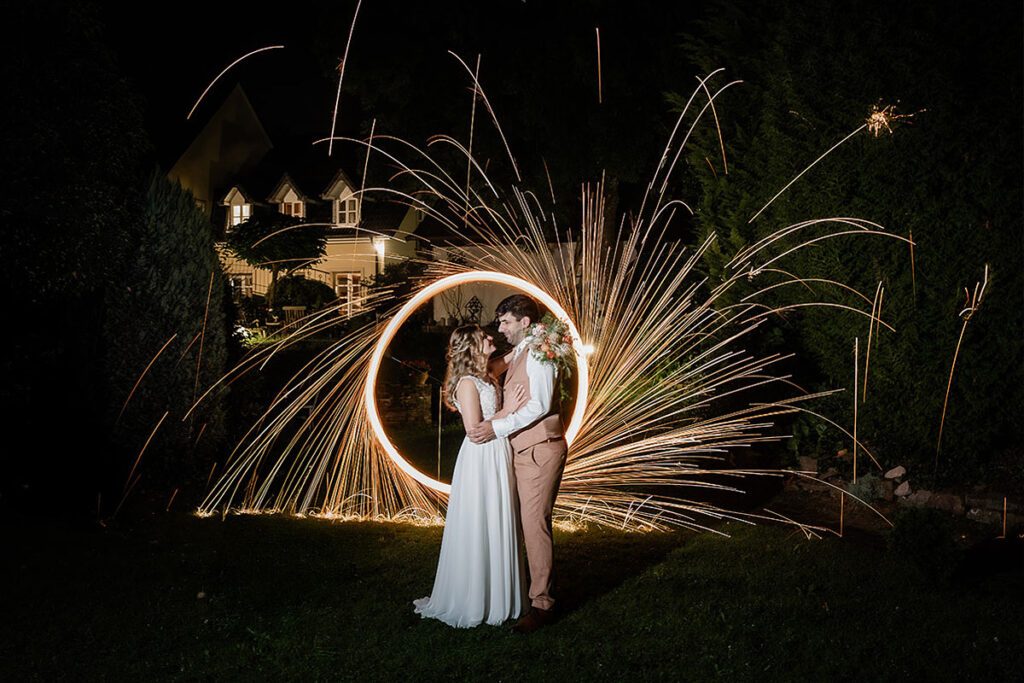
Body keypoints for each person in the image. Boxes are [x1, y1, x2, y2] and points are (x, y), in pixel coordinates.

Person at [413, 325, 529, 627]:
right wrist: (510, 410)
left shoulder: (488, 371)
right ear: (473, 347)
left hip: (498, 452)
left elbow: (515, 353)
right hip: (481, 458)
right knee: (482, 518)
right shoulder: (467, 383)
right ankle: (475, 597)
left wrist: (540, 335)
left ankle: (502, 594)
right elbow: (474, 432)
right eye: (485, 338)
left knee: (499, 517)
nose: (492, 338)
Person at [468, 294, 567, 634]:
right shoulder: (526, 349)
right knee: (517, 523)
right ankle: (518, 592)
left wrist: (495, 427)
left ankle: (542, 604)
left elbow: (538, 404)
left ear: (525, 322)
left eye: (506, 322)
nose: (500, 328)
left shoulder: (541, 353)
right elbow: (489, 373)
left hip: (539, 449)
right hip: (521, 451)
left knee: (533, 523)